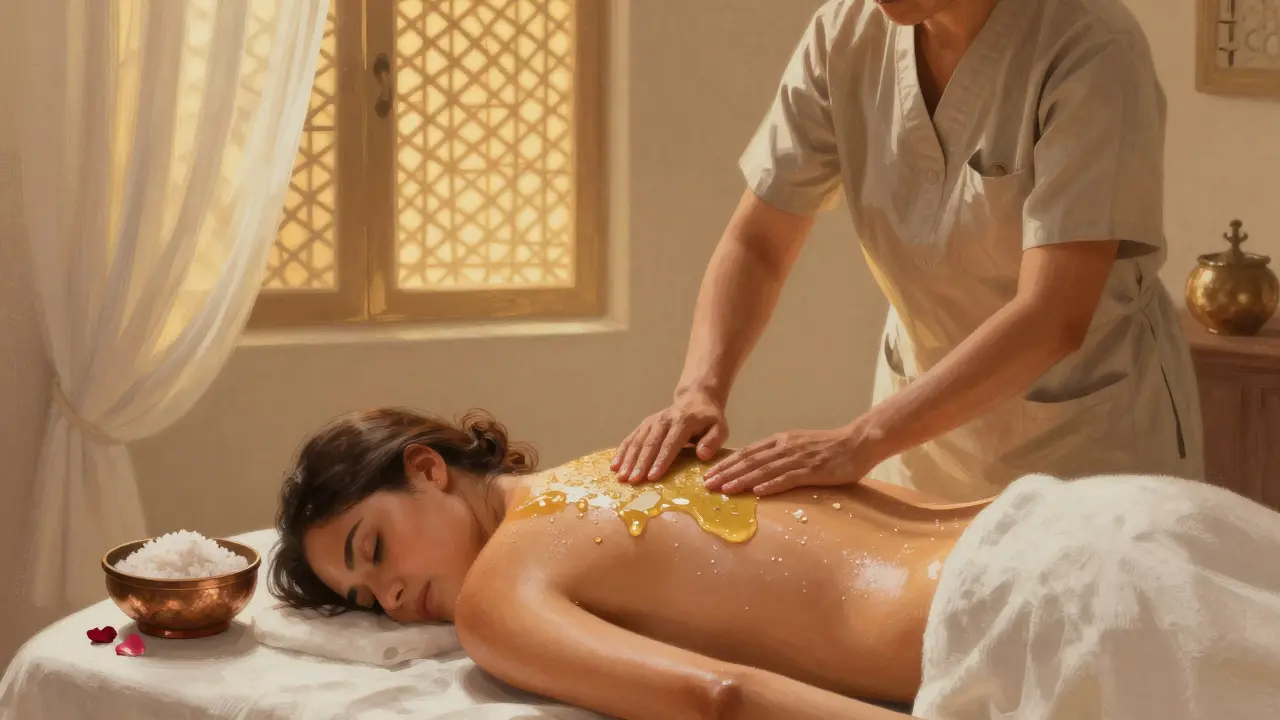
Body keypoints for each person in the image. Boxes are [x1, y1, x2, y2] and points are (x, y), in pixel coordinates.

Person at [268, 408, 1280, 720]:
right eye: (364, 600)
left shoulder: (499, 595)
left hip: (1035, 619)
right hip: (1098, 521)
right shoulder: (631, 450)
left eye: (374, 551)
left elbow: (717, 697)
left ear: (429, 468)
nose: (394, 598)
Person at [611, 0, 1204, 503]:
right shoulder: (845, 34)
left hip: (1083, 445)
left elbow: (1053, 315)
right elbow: (759, 241)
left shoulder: (1091, 47)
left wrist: (860, 440)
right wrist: (699, 391)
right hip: (917, 436)